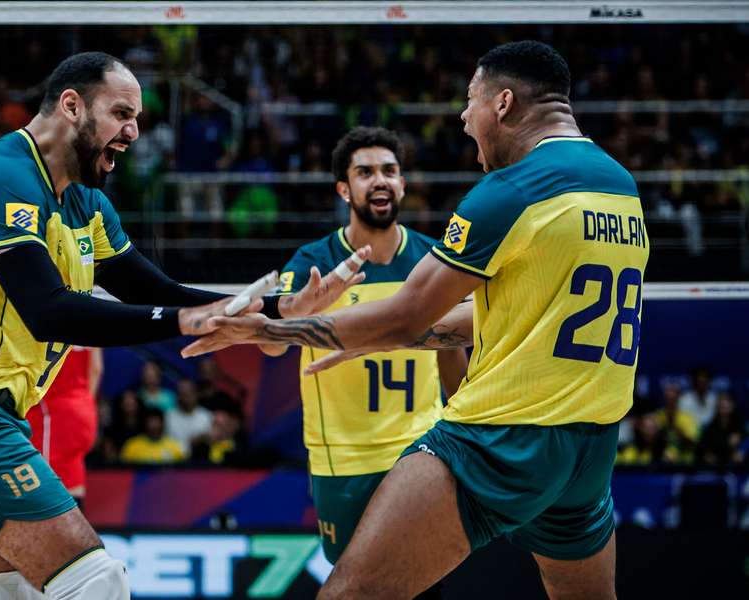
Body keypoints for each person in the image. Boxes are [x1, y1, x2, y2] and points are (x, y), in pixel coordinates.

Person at [0, 52, 365, 600]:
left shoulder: (86, 201)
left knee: (15, 594)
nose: (133, 131)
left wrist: (279, 308)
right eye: (121, 114)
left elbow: (154, 291)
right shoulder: (2, 174)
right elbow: (49, 311)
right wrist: (184, 320)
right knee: (98, 580)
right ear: (71, 106)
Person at [185, 41, 650, 599]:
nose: (462, 116)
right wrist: (373, 339)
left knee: (346, 594)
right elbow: (515, 315)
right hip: (590, 445)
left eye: (470, 101)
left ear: (502, 104)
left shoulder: (511, 191)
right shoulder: (620, 183)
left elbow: (405, 317)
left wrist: (268, 329)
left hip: (499, 439)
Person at [257, 126, 468, 571]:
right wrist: (296, 311)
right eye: (365, 172)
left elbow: (452, 348)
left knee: (424, 579)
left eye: (390, 171)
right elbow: (271, 347)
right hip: (344, 457)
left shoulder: (434, 260)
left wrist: (465, 426)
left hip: (421, 448)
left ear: (403, 184)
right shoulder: (315, 262)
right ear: (343, 189)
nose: (380, 181)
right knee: (356, 580)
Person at [26, 346, 103, 503]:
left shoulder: (49, 323)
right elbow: (96, 369)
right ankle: (76, 525)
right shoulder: (93, 322)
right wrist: (85, 403)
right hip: (84, 406)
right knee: (71, 470)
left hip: (55, 411)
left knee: (44, 481)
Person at [119, 407, 185, 464]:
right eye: (150, 421)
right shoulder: (131, 445)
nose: (154, 425)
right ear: (144, 423)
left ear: (163, 423)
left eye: (156, 421)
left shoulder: (175, 446)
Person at [165, 379, 213, 458]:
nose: (186, 397)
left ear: (196, 394)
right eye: (183, 393)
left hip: (200, 463)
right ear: (178, 396)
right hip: (174, 462)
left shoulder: (207, 416)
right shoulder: (168, 417)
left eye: (189, 393)